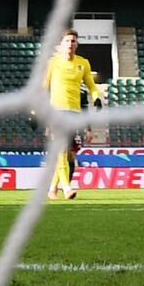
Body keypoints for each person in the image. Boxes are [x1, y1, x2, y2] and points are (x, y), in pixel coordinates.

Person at [42, 29, 104, 200]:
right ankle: (67, 187)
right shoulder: (53, 63)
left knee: (68, 152)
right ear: (61, 44)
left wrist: (97, 98)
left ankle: (53, 188)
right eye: (67, 41)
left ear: (77, 44)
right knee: (61, 148)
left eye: (73, 41)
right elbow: (43, 88)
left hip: (74, 113)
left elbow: (91, 86)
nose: (70, 44)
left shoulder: (83, 63)